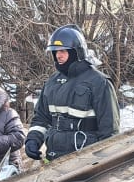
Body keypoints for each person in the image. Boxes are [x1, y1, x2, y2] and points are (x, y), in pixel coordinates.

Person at [25, 26, 118, 162]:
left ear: (77, 52)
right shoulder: (52, 82)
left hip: (85, 161)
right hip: (54, 159)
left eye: (63, 51)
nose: (58, 55)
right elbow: (41, 118)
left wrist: (103, 163)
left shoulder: (99, 82)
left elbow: (110, 131)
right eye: (55, 51)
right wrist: (32, 140)